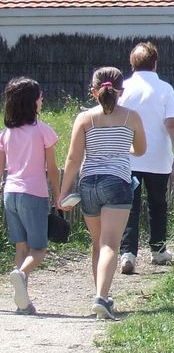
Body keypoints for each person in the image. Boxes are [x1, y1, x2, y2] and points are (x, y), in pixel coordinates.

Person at [58, 68, 147, 320]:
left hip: (88, 184)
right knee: (111, 243)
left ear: (94, 90)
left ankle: (101, 294)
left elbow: (74, 158)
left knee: (97, 243)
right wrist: (123, 146)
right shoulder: (132, 117)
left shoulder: (84, 118)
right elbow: (140, 150)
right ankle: (101, 297)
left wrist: (63, 193)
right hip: (117, 183)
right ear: (121, 91)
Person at [117, 42, 174, 275]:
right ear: (155, 62)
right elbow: (173, 125)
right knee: (158, 204)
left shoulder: (123, 88)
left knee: (130, 206)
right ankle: (158, 249)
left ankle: (128, 252)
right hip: (157, 158)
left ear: (131, 63)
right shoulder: (164, 89)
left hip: (128, 157)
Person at [1, 77, 59, 314]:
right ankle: (21, 274)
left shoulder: (6, 133)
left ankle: (22, 303)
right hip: (33, 194)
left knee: (21, 248)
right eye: (39, 96)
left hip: (10, 193)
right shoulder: (43, 131)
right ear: (32, 103)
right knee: (39, 249)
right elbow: (52, 170)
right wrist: (59, 195)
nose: (42, 99)